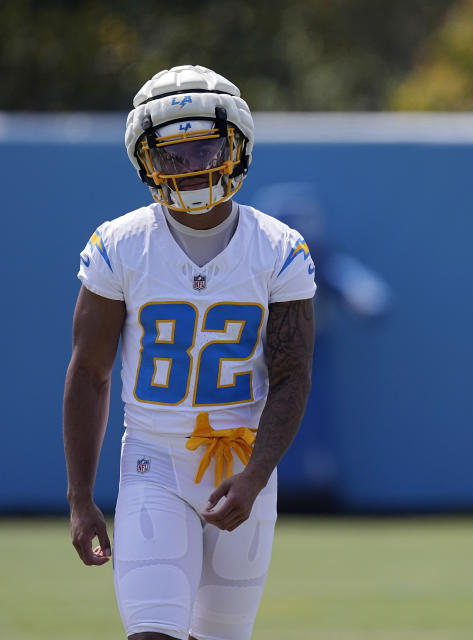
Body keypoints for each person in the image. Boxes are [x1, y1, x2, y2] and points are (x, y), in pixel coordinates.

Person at [63, 65, 316, 640]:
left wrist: (255, 476)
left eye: (204, 148)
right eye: (172, 155)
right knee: (152, 633)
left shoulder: (279, 250)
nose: (190, 167)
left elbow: (293, 376)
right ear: (146, 162)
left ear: (236, 147)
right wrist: (81, 497)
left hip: (245, 462)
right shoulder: (120, 245)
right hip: (154, 462)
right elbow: (91, 373)